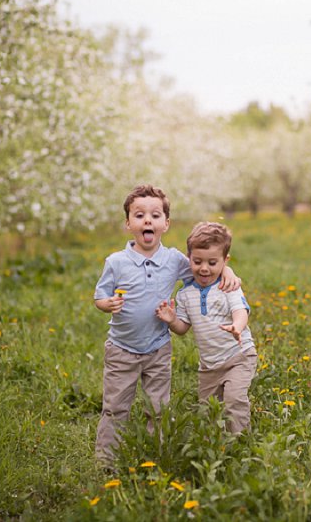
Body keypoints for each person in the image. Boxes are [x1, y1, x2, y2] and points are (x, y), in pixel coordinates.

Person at [93, 185, 241, 468]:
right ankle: (106, 461)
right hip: (121, 349)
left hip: (158, 348)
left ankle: (157, 455)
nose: (147, 220)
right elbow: (99, 296)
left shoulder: (174, 260)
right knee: (115, 408)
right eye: (139, 215)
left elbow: (205, 269)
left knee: (158, 409)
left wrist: (229, 270)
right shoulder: (116, 262)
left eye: (155, 215)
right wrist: (107, 303)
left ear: (166, 223)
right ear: (128, 224)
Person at [155, 222, 257, 434]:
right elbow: (183, 328)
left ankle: (239, 442)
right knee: (208, 411)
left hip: (239, 356)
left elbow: (241, 311)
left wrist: (237, 327)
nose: (204, 268)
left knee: (234, 399)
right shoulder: (185, 294)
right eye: (197, 261)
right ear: (188, 257)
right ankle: (214, 442)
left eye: (212, 263)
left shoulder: (228, 286)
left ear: (224, 261)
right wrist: (172, 320)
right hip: (209, 366)